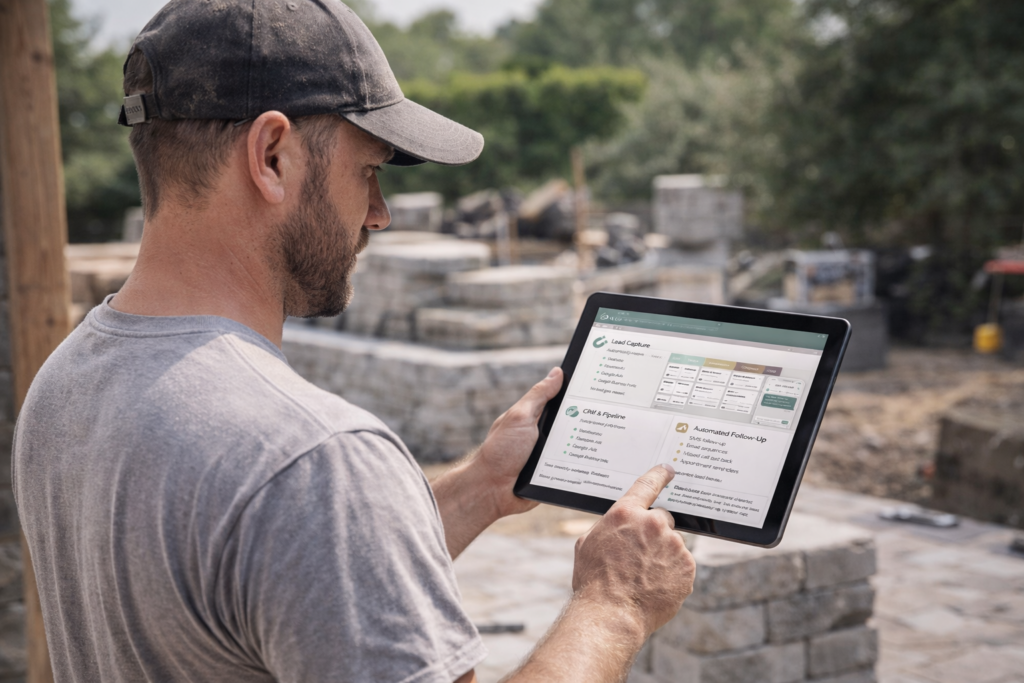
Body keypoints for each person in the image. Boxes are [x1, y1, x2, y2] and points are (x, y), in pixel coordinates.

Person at [13, 1, 695, 681]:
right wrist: (615, 602)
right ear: (272, 155)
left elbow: (288, 570)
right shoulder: (315, 460)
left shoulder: (63, 383)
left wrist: (483, 487)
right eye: (368, 170)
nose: (381, 213)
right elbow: (308, 510)